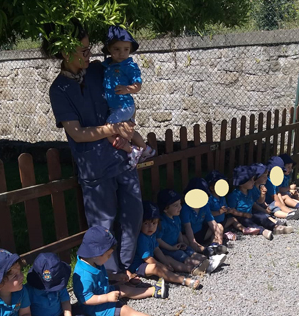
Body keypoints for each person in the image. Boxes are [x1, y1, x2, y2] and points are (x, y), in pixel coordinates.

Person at [46, 25, 142, 284]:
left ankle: (127, 266)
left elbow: (125, 99)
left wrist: (129, 121)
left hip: (122, 158)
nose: (90, 55)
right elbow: (77, 133)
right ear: (65, 52)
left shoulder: (100, 70)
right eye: (83, 50)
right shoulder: (59, 90)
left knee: (133, 214)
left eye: (89, 49)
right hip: (95, 166)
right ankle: (111, 274)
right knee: (104, 224)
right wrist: (113, 129)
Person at [73, 225, 173, 316]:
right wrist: (107, 298)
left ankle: (154, 291)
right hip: (95, 306)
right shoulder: (84, 276)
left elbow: (102, 274)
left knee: (124, 288)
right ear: (96, 254)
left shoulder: (94, 262)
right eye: (108, 255)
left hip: (104, 291)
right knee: (125, 310)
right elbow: (86, 299)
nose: (109, 258)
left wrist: (115, 276)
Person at [25, 252, 105, 316]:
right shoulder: (28, 291)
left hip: (60, 314)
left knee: (76, 307)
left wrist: (68, 315)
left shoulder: (58, 284)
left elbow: (65, 300)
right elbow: (26, 312)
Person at [102, 25, 156, 167]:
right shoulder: (107, 65)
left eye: (126, 49)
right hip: (116, 107)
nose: (122, 53)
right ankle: (146, 149)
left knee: (108, 129)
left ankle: (131, 150)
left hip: (124, 106)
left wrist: (127, 89)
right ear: (109, 49)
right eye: (117, 49)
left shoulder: (129, 66)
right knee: (130, 131)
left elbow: (137, 85)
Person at [129, 201, 202, 289]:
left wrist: (165, 262)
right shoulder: (142, 238)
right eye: (146, 223)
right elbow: (147, 258)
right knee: (156, 268)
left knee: (167, 258)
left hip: (150, 260)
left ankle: (190, 269)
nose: (151, 227)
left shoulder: (152, 235)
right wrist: (161, 265)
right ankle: (183, 280)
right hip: (139, 266)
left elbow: (156, 249)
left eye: (154, 223)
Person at [156, 189, 213, 275]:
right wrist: (171, 248)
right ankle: (201, 266)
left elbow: (179, 231)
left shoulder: (176, 218)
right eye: (176, 206)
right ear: (165, 209)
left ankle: (208, 260)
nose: (180, 207)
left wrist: (181, 242)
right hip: (167, 249)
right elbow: (158, 240)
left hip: (177, 245)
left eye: (180, 204)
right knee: (182, 256)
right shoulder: (162, 223)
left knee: (190, 251)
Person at [180, 178, 228, 267]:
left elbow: (211, 221)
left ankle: (216, 246)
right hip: (189, 235)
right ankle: (205, 251)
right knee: (182, 238)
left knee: (219, 226)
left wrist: (218, 235)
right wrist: (193, 241)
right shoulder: (185, 208)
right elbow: (187, 227)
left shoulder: (204, 205)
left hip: (202, 232)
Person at [205, 170, 250, 239]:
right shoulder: (209, 199)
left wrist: (228, 210)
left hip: (223, 221)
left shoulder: (222, 197)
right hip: (213, 224)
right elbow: (207, 214)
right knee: (217, 229)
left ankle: (244, 229)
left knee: (233, 219)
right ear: (212, 188)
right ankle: (223, 235)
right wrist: (218, 212)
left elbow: (225, 208)